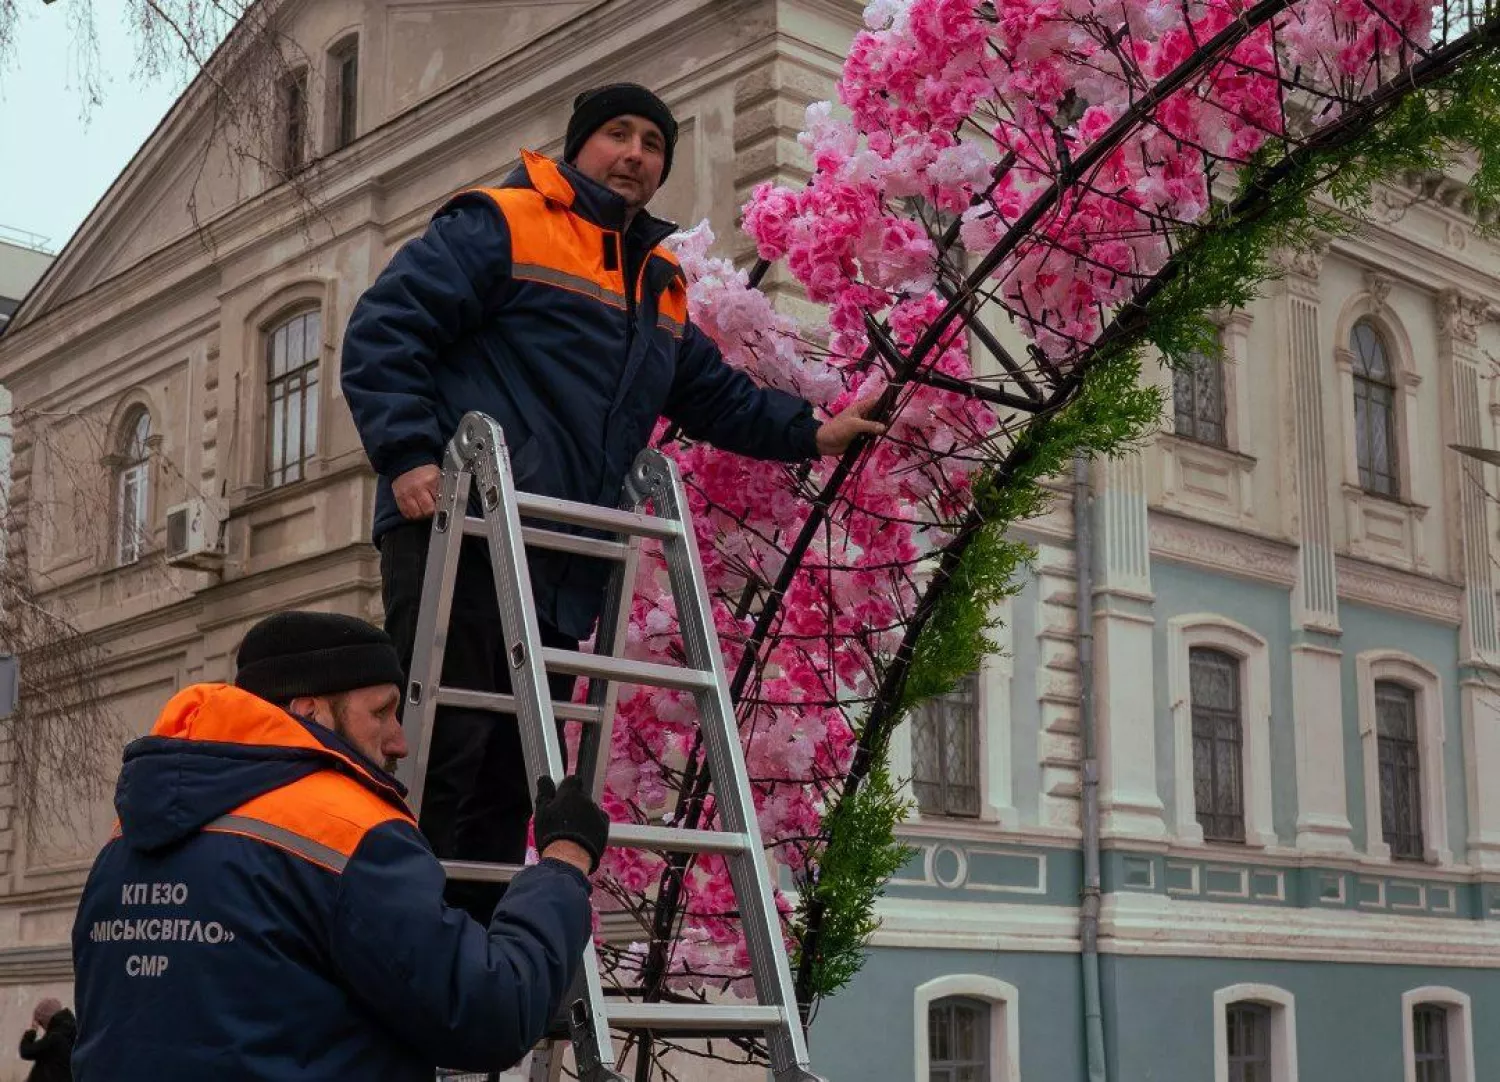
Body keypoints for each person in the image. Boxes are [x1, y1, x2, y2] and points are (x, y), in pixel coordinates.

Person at [340, 82, 884, 922]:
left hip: (560, 555)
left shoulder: (655, 282)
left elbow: (711, 394)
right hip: (464, 532)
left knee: (513, 776)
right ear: (578, 145)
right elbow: (385, 328)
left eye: (652, 144)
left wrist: (810, 431)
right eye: (616, 135)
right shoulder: (501, 221)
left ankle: (469, 958)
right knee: (444, 750)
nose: (635, 154)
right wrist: (408, 453)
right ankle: (404, 938)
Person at [69, 611, 610, 1082]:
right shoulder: (345, 830)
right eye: (382, 711)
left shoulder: (123, 843)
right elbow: (489, 1012)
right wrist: (563, 864)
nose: (399, 740)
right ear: (309, 712)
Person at [18, 998, 74, 1082]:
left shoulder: (55, 1038)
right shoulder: (71, 1030)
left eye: (40, 1023)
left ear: (46, 1020)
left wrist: (32, 1031)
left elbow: (26, 1051)